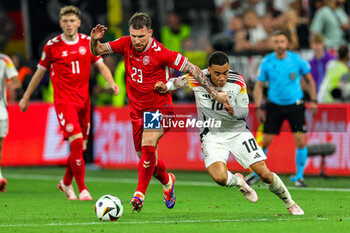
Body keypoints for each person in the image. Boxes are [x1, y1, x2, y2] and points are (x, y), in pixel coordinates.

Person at [89, 12, 227, 212]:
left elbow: (194, 69)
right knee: (147, 159)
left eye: (141, 37)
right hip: (136, 112)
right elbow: (98, 50)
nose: (136, 41)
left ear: (150, 33)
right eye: (134, 36)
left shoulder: (161, 52)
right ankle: (168, 181)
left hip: (159, 109)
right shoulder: (125, 43)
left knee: (148, 144)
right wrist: (95, 40)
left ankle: (139, 195)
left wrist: (215, 93)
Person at [154, 51, 304, 215]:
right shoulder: (197, 78)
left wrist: (234, 111)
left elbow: (245, 110)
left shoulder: (237, 81)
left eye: (225, 73)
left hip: (237, 131)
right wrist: (165, 86)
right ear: (209, 70)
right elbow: (176, 82)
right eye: (217, 73)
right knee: (220, 178)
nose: (221, 78)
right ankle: (239, 182)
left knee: (265, 174)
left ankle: (290, 203)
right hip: (211, 135)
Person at [19, 5, 119, 200]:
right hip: (64, 102)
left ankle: (65, 183)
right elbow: (39, 72)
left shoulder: (88, 42)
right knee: (77, 143)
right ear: (60, 23)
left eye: (72, 21)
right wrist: (25, 97)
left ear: (79, 23)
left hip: (84, 102)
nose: (69, 24)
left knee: (79, 149)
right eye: (65, 21)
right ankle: (82, 189)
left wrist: (112, 83)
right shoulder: (52, 46)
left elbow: (100, 64)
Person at [253, 29, 317, 187]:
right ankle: (256, 173)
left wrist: (314, 100)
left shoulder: (296, 60)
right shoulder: (267, 62)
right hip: (274, 107)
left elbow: (310, 79)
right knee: (265, 142)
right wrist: (258, 107)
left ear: (287, 43)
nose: (280, 45)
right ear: (272, 44)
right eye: (276, 42)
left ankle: (299, 177)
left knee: (301, 140)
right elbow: (258, 86)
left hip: (295, 107)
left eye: (282, 42)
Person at [0, 53, 21, 192]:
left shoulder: (5, 60)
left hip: (1, 109)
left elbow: (16, 82)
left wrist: (11, 85)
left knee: (0, 145)